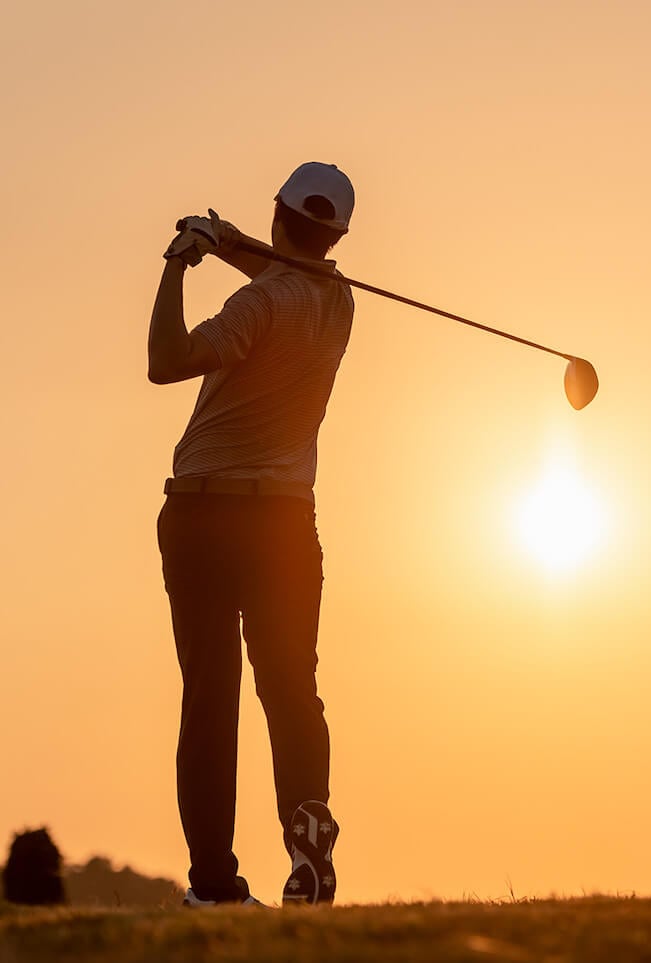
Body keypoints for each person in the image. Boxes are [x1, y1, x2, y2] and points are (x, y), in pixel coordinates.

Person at [148, 162, 355, 907]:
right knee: (291, 686)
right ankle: (307, 827)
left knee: (211, 696)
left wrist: (178, 264)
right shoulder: (338, 302)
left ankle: (212, 886)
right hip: (286, 527)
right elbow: (290, 271)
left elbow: (164, 362)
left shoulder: (252, 307)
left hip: (204, 516)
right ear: (335, 237)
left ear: (278, 215)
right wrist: (228, 240)